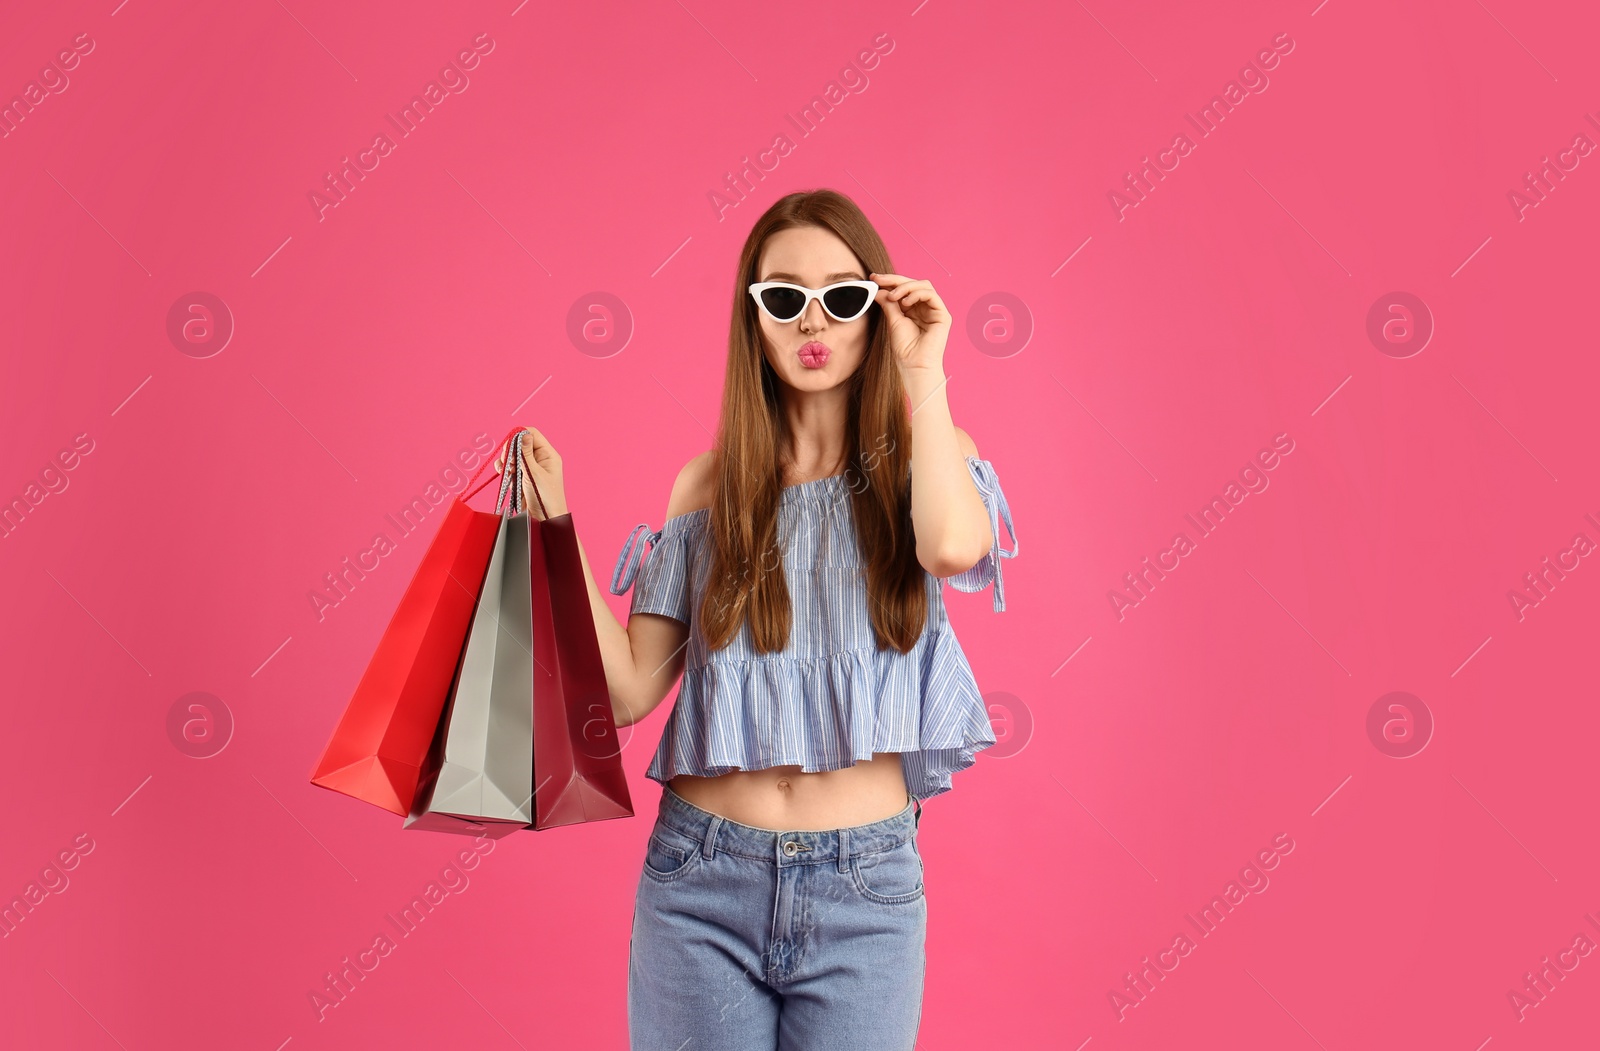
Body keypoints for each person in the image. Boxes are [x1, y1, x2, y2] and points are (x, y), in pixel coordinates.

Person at [493, 188, 1017, 1050]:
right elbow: (627, 691)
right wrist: (553, 524)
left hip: (866, 890)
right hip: (700, 881)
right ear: (754, 317)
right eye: (784, 296)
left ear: (878, 307)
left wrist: (924, 368)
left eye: (843, 297)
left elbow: (955, 548)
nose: (814, 320)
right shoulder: (710, 487)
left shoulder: (930, 460)